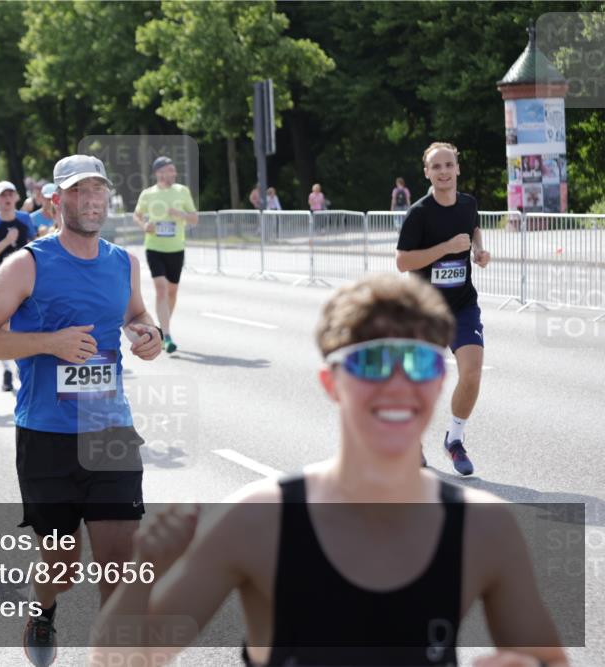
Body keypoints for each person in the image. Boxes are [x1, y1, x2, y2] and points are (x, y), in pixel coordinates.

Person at [91, 274, 568, 667]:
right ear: (331, 382)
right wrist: (143, 572)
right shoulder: (260, 519)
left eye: (419, 364)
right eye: (371, 365)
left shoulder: (482, 527)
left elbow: (547, 660)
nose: (398, 385)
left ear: (439, 379)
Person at [0, 154, 162, 667]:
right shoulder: (27, 263)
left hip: (109, 427)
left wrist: (150, 333)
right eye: (78, 192)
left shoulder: (124, 262)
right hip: (47, 435)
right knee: (64, 564)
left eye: (98, 191)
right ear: (56, 200)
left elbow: (137, 313)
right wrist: (49, 342)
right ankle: (44, 609)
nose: (90, 200)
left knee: (119, 563)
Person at [397, 142, 490, 475]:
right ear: (427, 173)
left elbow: (474, 226)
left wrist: (479, 250)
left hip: (463, 305)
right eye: (436, 167)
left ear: (457, 169)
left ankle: (455, 439)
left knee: (472, 373)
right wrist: (446, 249)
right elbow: (403, 261)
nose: (444, 172)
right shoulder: (419, 214)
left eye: (448, 165)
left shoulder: (468, 204)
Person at [132, 155, 198, 354]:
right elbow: (137, 215)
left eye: (173, 170)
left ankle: (165, 323)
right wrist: (145, 225)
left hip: (176, 248)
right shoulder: (148, 194)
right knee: (161, 289)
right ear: (158, 173)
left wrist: (182, 215)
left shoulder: (182, 191)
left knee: (172, 291)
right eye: (168, 170)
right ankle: (166, 334)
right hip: (154, 247)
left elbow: (194, 219)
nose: (172, 173)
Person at [0, 181, 37, 392]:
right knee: (2, 327)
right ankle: (7, 370)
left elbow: (34, 244)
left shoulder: (24, 219)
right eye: (2, 195)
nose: (7, 198)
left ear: (17, 198)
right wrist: (6, 241)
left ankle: (23, 368)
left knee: (24, 324)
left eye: (10, 194)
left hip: (25, 280)